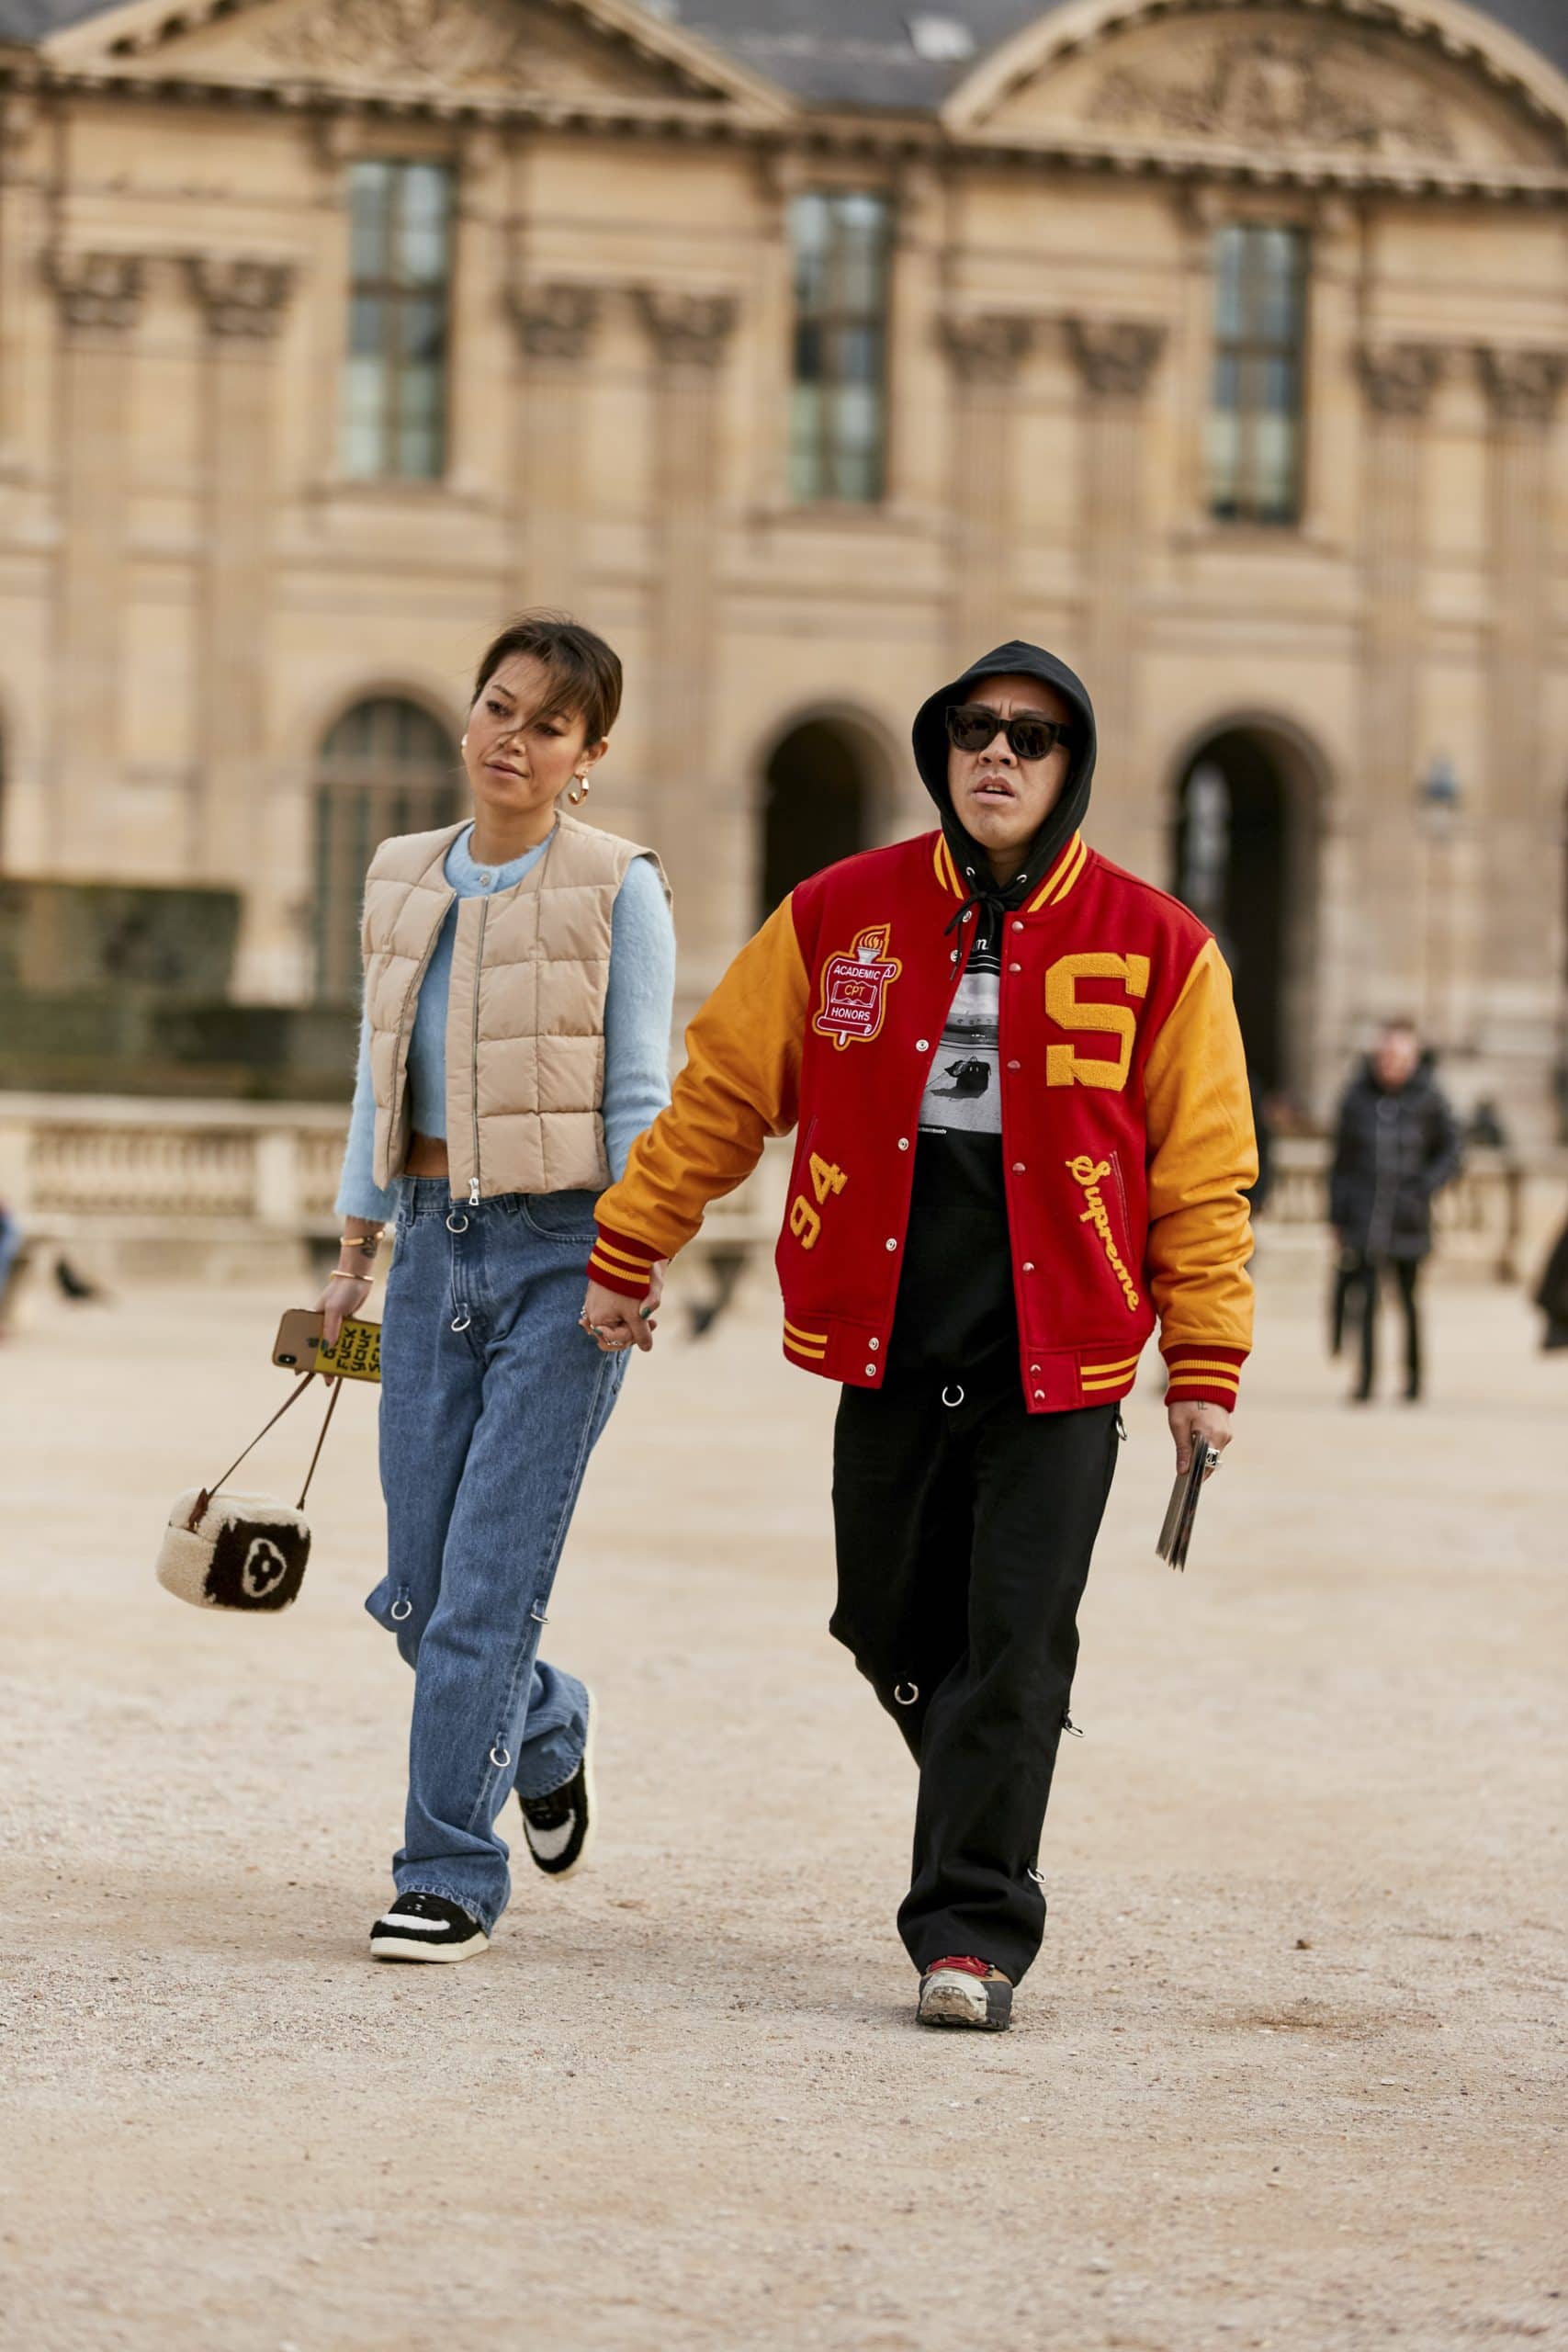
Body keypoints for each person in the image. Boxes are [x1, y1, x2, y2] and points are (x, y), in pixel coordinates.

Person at [578, 640, 1256, 2032]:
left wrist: (1204, 1360)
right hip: (887, 1327)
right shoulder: (838, 912)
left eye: (1031, 737)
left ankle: (971, 1932)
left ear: (1071, 769)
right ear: (940, 752)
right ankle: (990, 1770)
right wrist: (630, 1243)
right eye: (973, 729)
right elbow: (720, 1097)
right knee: (882, 1616)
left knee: (1015, 1637)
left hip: (1058, 1346)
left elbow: (1202, 1174)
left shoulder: (1161, 945)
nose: (997, 753)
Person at [327, 612, 675, 1964]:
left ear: (589, 757)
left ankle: (447, 1873)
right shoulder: (401, 871)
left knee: (481, 1592)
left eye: (548, 725)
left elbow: (637, 1091)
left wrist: (632, 1258)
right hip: (429, 1245)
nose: (511, 740)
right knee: (420, 1595)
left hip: (563, 1259)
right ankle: (545, 1725)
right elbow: (377, 1080)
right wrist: (354, 1256)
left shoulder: (617, 885)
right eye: (497, 707)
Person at [1328, 1020, 1460, 1405]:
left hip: (1408, 1218)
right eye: (1386, 1056)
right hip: (1365, 1217)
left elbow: (1452, 1150)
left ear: (1413, 1060)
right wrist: (1337, 1216)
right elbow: (1340, 1164)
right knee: (1365, 1303)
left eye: (1400, 1058)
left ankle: (1414, 1381)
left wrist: (1426, 1186)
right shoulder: (1356, 1097)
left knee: (1409, 1302)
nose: (1391, 1065)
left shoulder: (1430, 1098)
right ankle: (1366, 1381)